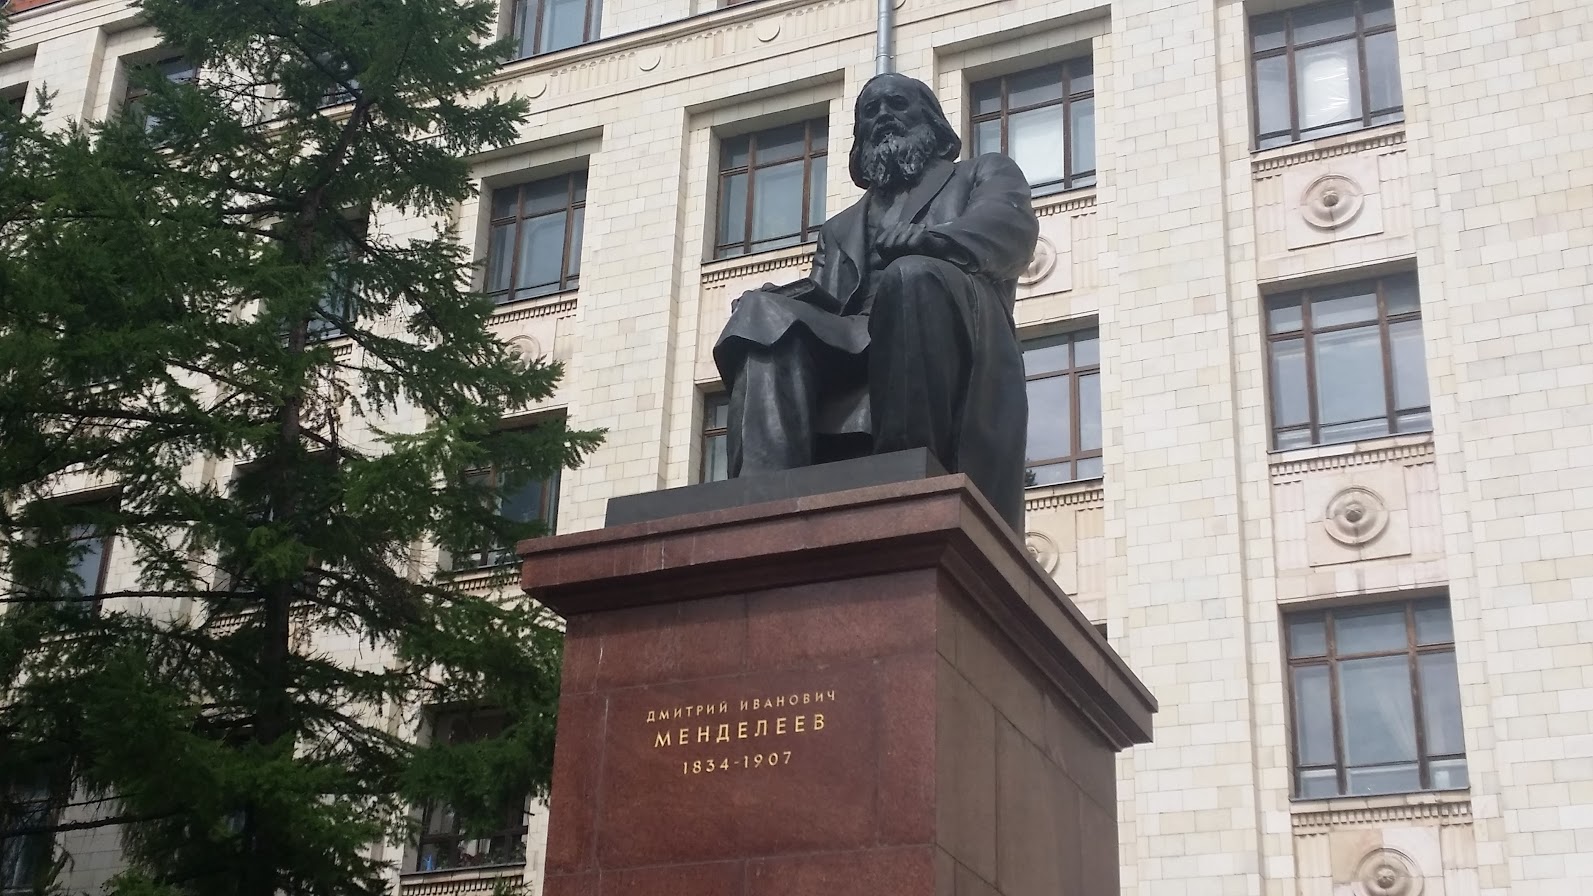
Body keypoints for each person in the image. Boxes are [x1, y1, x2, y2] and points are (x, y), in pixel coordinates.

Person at [712, 72, 1039, 532]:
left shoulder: (981, 173)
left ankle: (906, 472)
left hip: (947, 322)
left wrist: (931, 241)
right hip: (855, 333)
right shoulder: (841, 227)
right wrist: (777, 299)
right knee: (759, 312)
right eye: (870, 111)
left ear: (930, 121)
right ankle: (762, 504)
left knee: (910, 276)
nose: (883, 116)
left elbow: (1007, 228)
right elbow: (828, 299)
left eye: (897, 105)